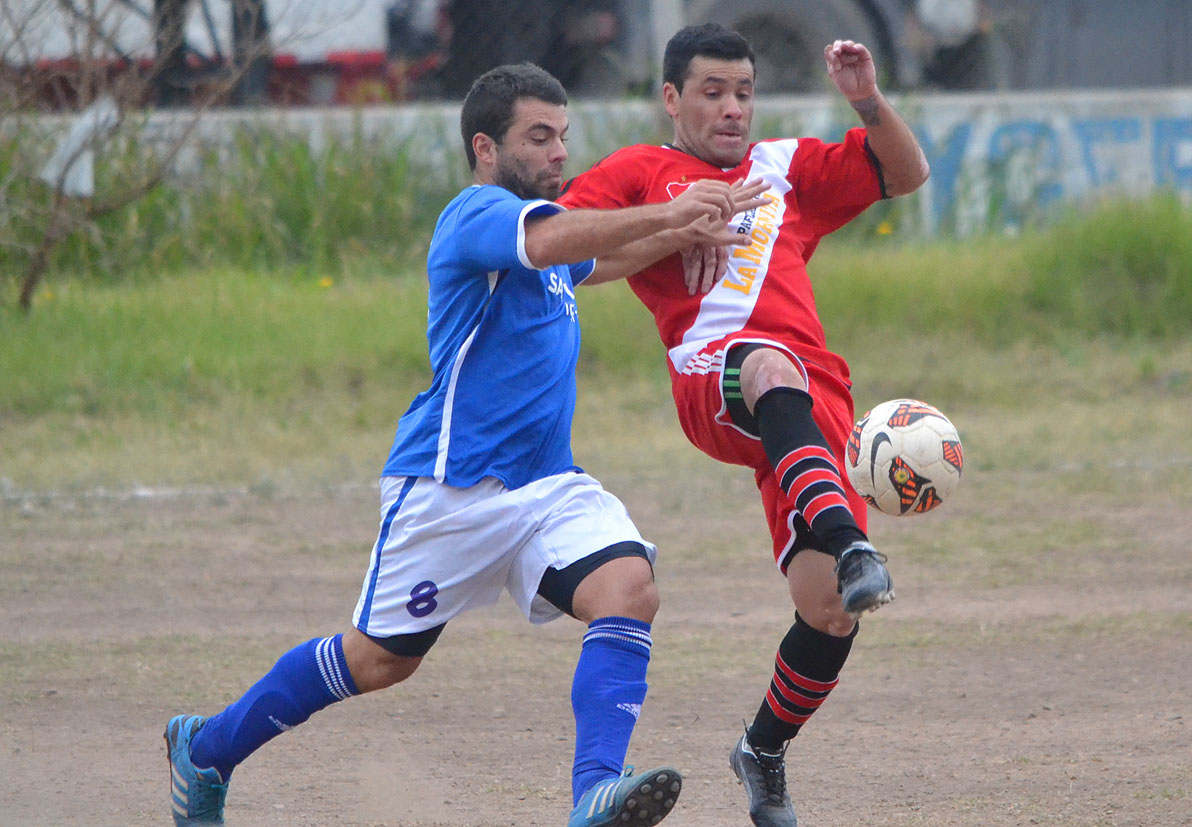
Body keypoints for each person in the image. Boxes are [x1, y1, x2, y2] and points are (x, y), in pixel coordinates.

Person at [163, 62, 768, 827]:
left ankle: (594, 796)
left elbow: (591, 260)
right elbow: (554, 245)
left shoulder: (545, 231)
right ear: (486, 148)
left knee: (629, 585)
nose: (558, 154)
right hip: (449, 490)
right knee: (378, 660)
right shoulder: (476, 214)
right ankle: (207, 749)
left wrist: (683, 229)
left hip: (546, 486)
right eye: (538, 137)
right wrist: (669, 209)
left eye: (563, 138)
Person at [558, 24, 930, 827]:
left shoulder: (784, 169)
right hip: (715, 375)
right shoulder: (642, 172)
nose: (732, 109)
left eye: (744, 93)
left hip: (811, 405)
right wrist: (668, 227)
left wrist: (866, 100)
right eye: (712, 92)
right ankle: (855, 539)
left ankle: (762, 750)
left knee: (830, 606)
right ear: (671, 98)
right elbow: (559, 247)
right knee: (767, 364)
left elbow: (905, 171)